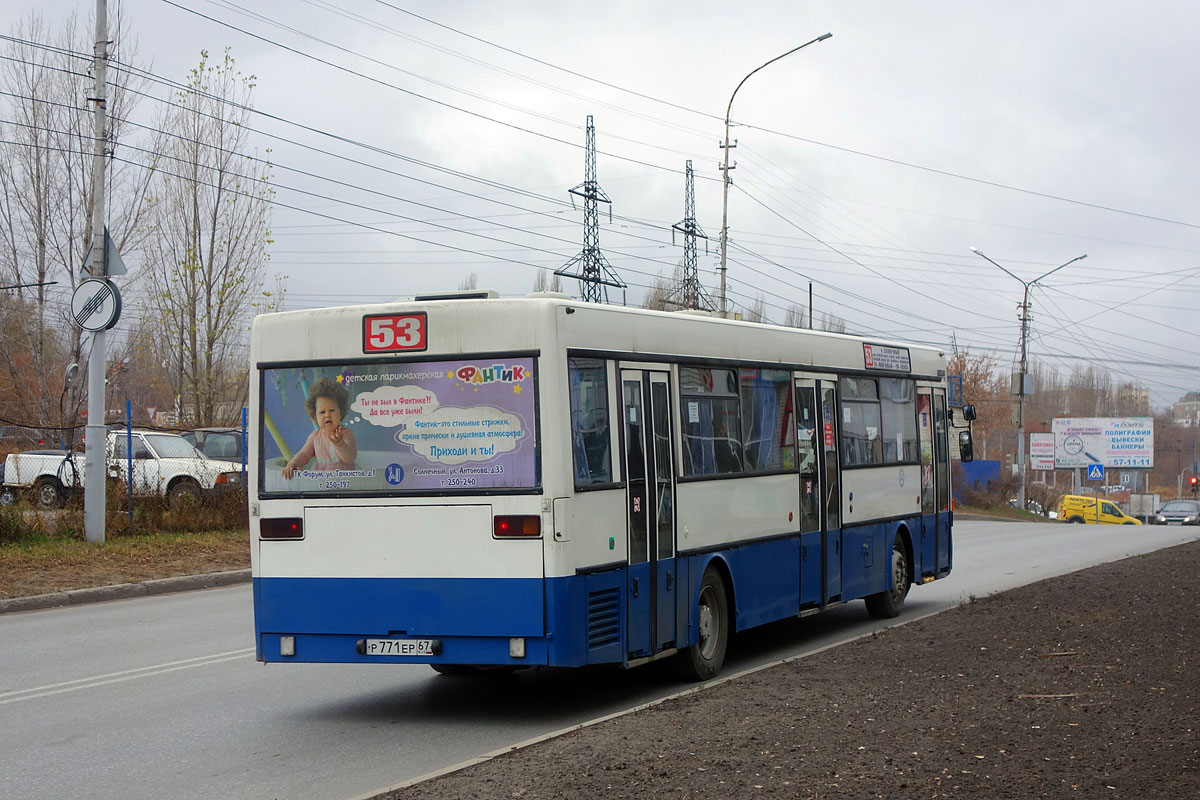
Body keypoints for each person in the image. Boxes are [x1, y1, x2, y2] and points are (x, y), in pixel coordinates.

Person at [282, 378, 358, 478]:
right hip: (321, 483)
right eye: (322, 412)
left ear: (341, 413)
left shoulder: (346, 434)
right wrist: (294, 463)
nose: (327, 415)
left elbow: (350, 458)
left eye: (332, 410)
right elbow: (304, 454)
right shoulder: (315, 437)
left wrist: (340, 444)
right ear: (315, 416)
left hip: (345, 481)